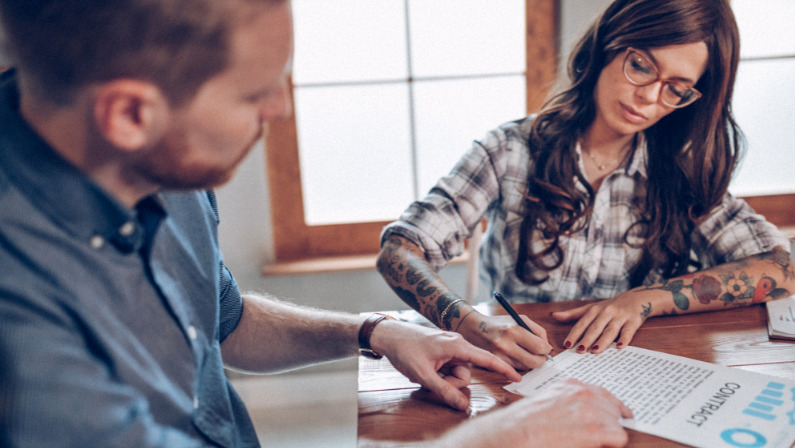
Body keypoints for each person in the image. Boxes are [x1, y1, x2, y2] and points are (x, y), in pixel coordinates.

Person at [0, 0, 632, 447]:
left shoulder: (156, 165)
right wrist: (503, 440)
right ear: (130, 114)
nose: (279, 109)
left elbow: (222, 321)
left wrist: (374, 331)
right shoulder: (18, 313)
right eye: (255, 94)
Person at [378, 0, 795, 371]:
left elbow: (782, 268)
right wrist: (471, 323)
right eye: (642, 65)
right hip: (520, 365)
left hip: (639, 368)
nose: (649, 97)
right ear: (609, 44)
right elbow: (399, 251)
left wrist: (642, 300)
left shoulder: (680, 173)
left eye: (676, 89)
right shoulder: (510, 150)